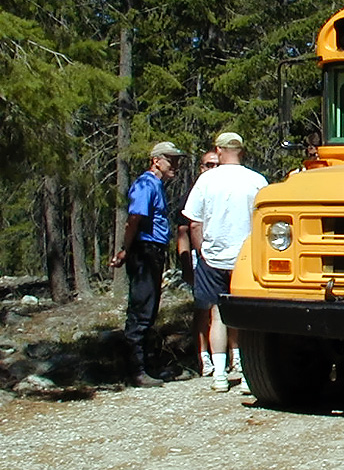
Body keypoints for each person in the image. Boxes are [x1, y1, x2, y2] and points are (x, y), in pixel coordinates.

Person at [183, 132, 268, 393]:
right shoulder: (256, 181)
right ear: (241, 151)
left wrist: (202, 252)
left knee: (218, 314)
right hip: (245, 257)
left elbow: (194, 222)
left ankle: (219, 374)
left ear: (219, 150)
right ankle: (245, 373)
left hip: (214, 256)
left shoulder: (207, 180)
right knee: (246, 317)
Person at [110, 140, 185, 388]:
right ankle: (135, 370)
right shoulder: (145, 184)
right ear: (156, 161)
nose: (175, 164)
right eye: (170, 159)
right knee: (141, 309)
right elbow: (134, 219)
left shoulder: (156, 185)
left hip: (153, 250)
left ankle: (147, 365)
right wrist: (125, 250)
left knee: (149, 309)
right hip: (144, 250)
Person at [176, 149, 219, 376]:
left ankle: (230, 356)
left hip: (223, 256)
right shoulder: (193, 194)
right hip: (199, 258)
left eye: (216, 164)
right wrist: (186, 265)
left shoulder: (225, 191)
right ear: (200, 168)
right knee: (203, 309)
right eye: (207, 165)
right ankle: (203, 357)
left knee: (222, 309)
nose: (212, 169)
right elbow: (183, 231)